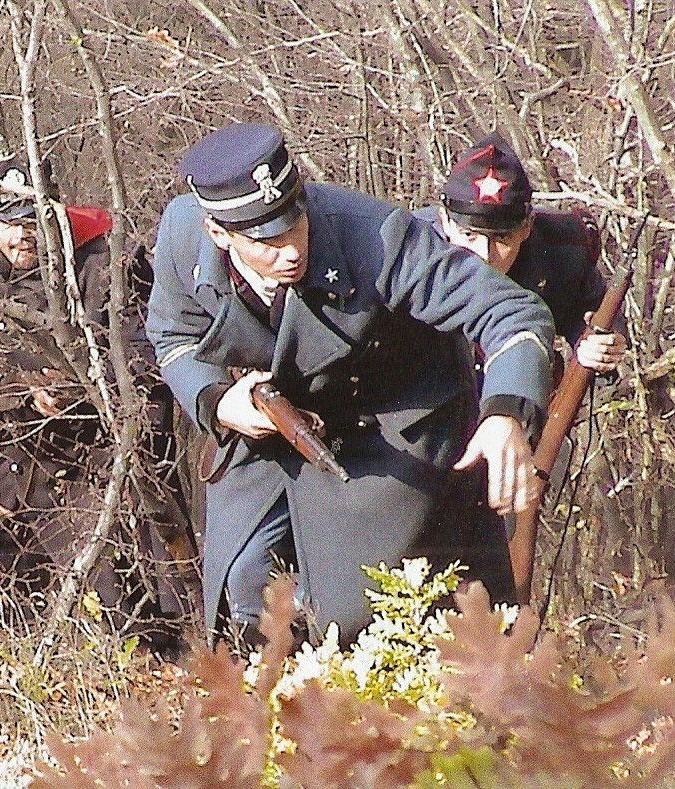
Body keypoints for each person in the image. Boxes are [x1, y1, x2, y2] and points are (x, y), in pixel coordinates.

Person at [146, 122, 556, 648]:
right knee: (243, 591)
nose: (290, 249)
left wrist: (504, 410)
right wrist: (218, 400)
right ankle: (267, 715)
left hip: (388, 425)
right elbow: (173, 335)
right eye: (266, 241)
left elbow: (511, 311)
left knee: (354, 619)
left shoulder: (377, 236)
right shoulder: (183, 234)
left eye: (295, 223)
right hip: (271, 426)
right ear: (220, 234)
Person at [0, 155, 194, 652]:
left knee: (118, 584)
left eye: (35, 221)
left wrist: (80, 393)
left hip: (101, 448)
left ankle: (150, 665)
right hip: (15, 448)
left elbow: (149, 359)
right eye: (10, 223)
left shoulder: (105, 263)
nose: (23, 236)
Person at [413, 130, 626, 374]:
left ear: (527, 227)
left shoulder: (561, 250)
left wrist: (600, 346)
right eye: (469, 236)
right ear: (445, 221)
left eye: (502, 238)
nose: (484, 254)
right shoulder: (410, 253)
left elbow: (595, 315)